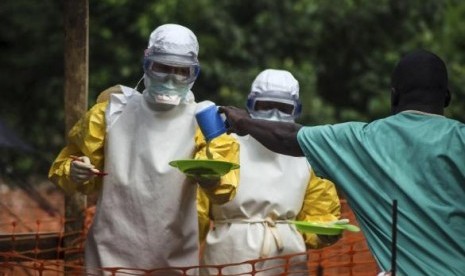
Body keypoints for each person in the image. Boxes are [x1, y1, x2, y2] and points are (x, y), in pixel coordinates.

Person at [219, 50, 465, 275]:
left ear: (394, 96)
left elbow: (287, 138)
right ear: (446, 98)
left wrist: (243, 122)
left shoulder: (361, 141)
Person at [48, 23, 239, 275]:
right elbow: (68, 167)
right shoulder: (111, 112)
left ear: (194, 73)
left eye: (181, 71)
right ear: (147, 64)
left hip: (174, 256)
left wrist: (214, 180)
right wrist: (74, 170)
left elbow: (225, 190)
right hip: (110, 253)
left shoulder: (204, 120)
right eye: (162, 68)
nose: (170, 79)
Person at [198, 69, 341, 275]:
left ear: (296, 110)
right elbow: (198, 208)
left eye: (284, 107)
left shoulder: (307, 156)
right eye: (265, 106)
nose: (274, 114)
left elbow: (319, 211)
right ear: (250, 105)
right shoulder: (227, 144)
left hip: (286, 257)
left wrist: (324, 232)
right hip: (230, 254)